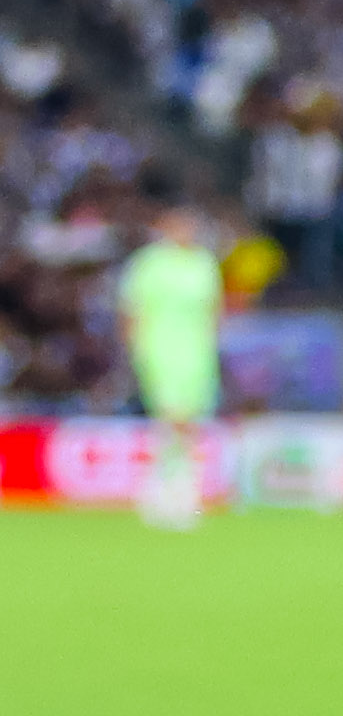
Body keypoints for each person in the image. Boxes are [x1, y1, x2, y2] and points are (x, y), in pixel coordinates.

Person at [117, 191, 224, 532]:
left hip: (197, 354)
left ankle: (181, 490)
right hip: (159, 350)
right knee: (170, 418)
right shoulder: (149, 263)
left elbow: (214, 312)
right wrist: (135, 350)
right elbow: (132, 310)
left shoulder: (204, 264)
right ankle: (162, 489)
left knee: (190, 422)